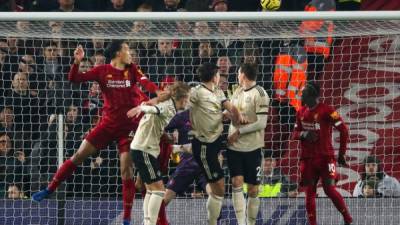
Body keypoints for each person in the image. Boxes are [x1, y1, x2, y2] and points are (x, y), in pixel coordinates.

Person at [32, 40, 163, 225]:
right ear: (118, 53)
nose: (130, 53)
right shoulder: (102, 71)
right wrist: (77, 62)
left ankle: (126, 217)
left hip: (129, 128)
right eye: (127, 49)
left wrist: (159, 91)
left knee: (126, 171)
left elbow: (146, 83)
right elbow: (74, 79)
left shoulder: (132, 69)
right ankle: (50, 188)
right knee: (78, 155)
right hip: (107, 125)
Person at [129, 82, 191, 225]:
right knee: (159, 191)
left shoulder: (168, 103)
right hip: (144, 150)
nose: (188, 102)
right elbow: (156, 110)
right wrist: (141, 107)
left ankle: (147, 222)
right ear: (182, 98)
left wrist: (168, 138)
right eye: (188, 98)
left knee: (151, 190)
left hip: (143, 149)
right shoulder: (168, 106)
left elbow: (156, 112)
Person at [293, 82, 352, 225]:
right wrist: (304, 134)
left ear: (312, 95)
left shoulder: (328, 110)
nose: (301, 94)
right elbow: (295, 133)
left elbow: (343, 130)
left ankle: (347, 219)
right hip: (307, 160)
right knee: (309, 192)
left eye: (303, 92)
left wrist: (342, 154)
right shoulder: (300, 112)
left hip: (326, 158)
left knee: (329, 189)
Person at [189, 62, 241, 225]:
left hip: (216, 143)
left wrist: (233, 116)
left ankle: (213, 220)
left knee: (219, 188)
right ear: (214, 77)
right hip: (204, 146)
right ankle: (212, 221)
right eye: (218, 75)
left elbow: (230, 108)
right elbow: (182, 105)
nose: (220, 77)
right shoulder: (196, 92)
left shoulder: (217, 91)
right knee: (218, 188)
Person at [225, 63, 269, 225]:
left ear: (243, 74)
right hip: (234, 147)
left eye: (238, 73)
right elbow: (230, 112)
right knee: (236, 182)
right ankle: (240, 223)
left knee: (253, 189)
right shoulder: (236, 91)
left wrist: (239, 132)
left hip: (253, 148)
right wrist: (221, 114)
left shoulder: (260, 93)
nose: (237, 75)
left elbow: (261, 123)